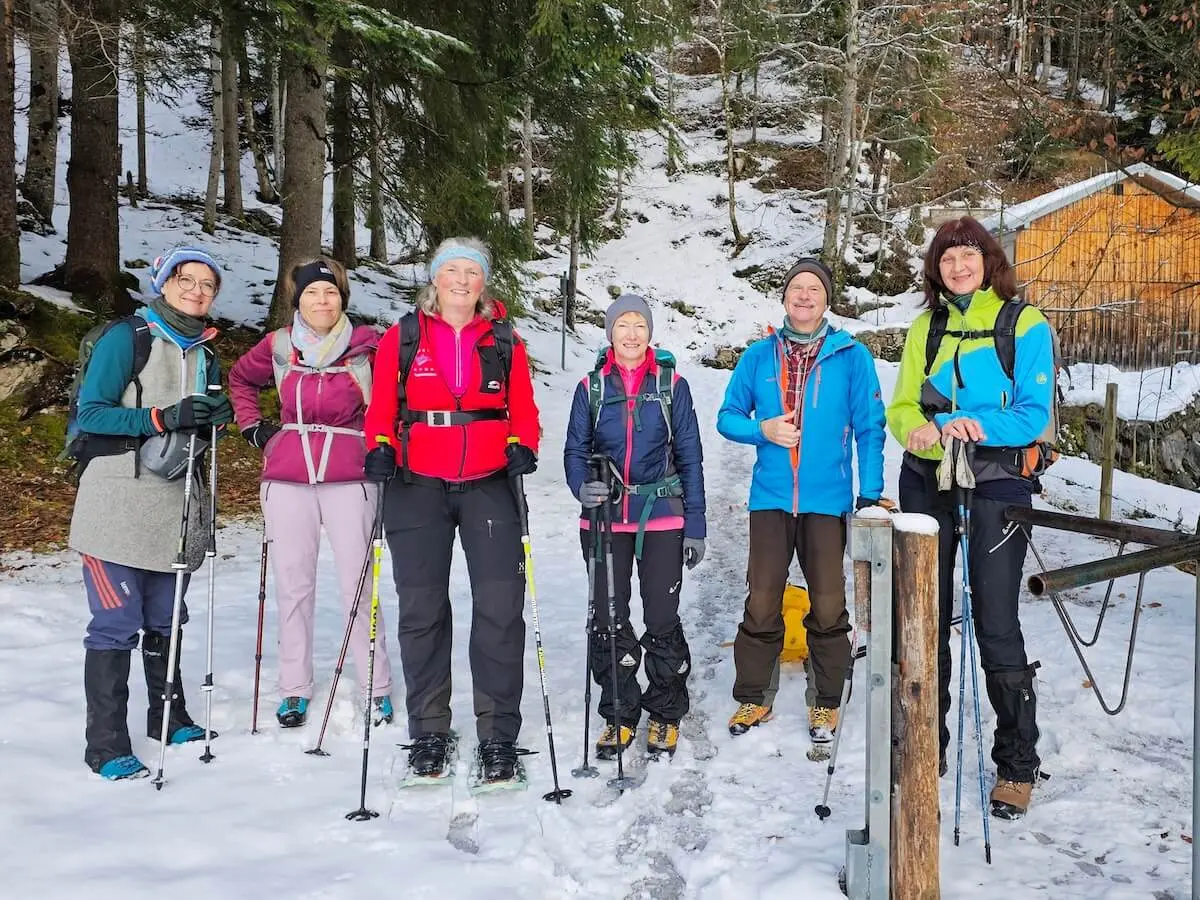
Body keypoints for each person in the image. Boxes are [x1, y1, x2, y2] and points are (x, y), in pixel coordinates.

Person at [886, 216, 1052, 820]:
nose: (958, 266)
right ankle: (928, 746)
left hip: (997, 483)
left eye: (968, 256)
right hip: (928, 479)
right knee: (926, 618)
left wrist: (978, 425)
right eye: (947, 258)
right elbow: (901, 406)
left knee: (996, 619)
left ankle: (1016, 763)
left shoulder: (1023, 324)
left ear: (987, 262)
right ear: (936, 268)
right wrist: (925, 432)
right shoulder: (924, 327)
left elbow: (1033, 414)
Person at [362, 237, 540, 785]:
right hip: (417, 483)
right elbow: (381, 407)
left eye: (472, 272)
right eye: (452, 271)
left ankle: (498, 734)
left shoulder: (505, 339)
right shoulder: (405, 335)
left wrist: (523, 443)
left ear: (483, 281)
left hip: (489, 483)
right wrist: (379, 446)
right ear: (435, 278)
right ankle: (430, 730)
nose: (462, 280)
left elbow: (523, 405)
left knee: (498, 607)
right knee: (421, 609)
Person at [69, 246, 234, 780]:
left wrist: (216, 420)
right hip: (116, 502)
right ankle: (106, 745)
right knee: (117, 621)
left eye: (208, 285)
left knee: (166, 617)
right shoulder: (128, 338)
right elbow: (92, 414)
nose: (197, 291)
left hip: (175, 504)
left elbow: (196, 427)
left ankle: (169, 716)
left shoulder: (207, 352)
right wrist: (162, 417)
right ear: (164, 282)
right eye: (187, 280)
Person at [716, 257, 885, 758]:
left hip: (826, 501)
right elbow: (728, 416)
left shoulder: (851, 356)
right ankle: (752, 698)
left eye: (814, 289)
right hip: (770, 497)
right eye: (796, 288)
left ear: (827, 298)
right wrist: (761, 429)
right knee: (762, 599)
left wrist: (869, 495)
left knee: (829, 604)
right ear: (785, 297)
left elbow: (870, 428)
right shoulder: (758, 356)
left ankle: (826, 699)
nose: (805, 296)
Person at [229, 257, 393, 730]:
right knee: (293, 585)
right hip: (287, 477)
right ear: (296, 300)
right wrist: (253, 427)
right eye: (312, 294)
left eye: (331, 293)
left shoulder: (366, 348)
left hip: (350, 474)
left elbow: (391, 402)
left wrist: (383, 445)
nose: (322, 301)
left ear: (342, 297)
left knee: (358, 585)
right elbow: (241, 379)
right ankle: (294, 689)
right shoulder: (279, 345)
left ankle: (375, 684)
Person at [563, 295, 706, 760]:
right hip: (604, 519)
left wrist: (696, 523)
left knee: (662, 617)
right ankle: (618, 712)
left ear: (649, 333)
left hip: (661, 514)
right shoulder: (591, 387)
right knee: (608, 617)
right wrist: (582, 487)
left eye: (638, 325)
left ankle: (665, 711)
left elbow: (690, 455)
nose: (630, 333)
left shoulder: (671, 385)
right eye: (621, 325)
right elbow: (574, 450)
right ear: (609, 334)